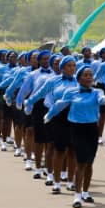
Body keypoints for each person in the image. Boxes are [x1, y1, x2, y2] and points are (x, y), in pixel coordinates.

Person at [44, 65, 105, 208]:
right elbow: (60, 104)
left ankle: (86, 192)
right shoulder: (71, 91)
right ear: (79, 78)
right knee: (80, 162)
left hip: (92, 129)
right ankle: (77, 196)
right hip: (76, 129)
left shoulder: (97, 92)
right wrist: (49, 115)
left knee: (89, 163)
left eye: (91, 75)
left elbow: (101, 99)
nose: (89, 77)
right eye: (86, 75)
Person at [27, 56, 80, 194]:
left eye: (74, 66)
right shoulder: (53, 80)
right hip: (57, 116)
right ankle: (55, 181)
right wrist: (29, 102)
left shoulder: (78, 81)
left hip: (75, 117)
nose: (72, 68)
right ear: (62, 67)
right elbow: (40, 93)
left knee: (72, 151)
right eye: (69, 66)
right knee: (58, 149)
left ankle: (70, 181)